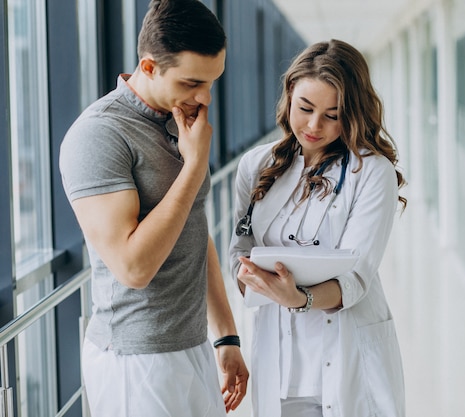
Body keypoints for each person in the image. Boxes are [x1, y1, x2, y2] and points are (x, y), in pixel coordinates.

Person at [59, 1, 248, 415]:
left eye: (212, 82)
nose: (204, 98)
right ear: (148, 67)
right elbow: (133, 268)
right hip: (136, 359)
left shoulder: (180, 122)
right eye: (191, 82)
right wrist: (195, 166)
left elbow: (193, 231)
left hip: (191, 343)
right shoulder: (99, 135)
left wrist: (226, 336)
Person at [229, 39, 407, 417]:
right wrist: (250, 280)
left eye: (332, 114)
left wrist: (300, 298)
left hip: (348, 355)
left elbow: (356, 279)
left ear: (354, 113)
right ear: (289, 96)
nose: (313, 126)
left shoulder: (371, 172)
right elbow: (239, 246)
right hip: (280, 363)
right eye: (305, 108)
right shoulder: (255, 165)